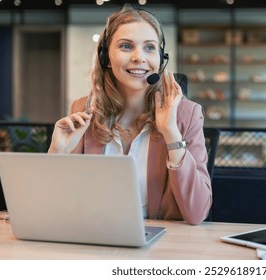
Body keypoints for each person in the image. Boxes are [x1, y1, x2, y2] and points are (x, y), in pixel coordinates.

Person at [48, 4, 212, 225]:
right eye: (126, 46)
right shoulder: (83, 109)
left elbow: (197, 213)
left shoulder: (186, 114)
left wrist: (171, 134)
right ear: (106, 56)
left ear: (161, 59)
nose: (139, 57)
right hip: (95, 240)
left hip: (161, 248)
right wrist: (58, 153)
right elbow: (56, 206)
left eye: (150, 48)